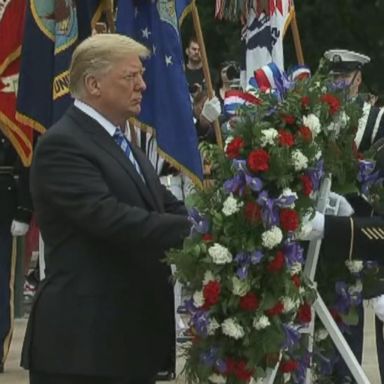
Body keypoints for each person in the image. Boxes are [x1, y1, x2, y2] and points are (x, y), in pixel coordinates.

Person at [21, 33, 191, 384]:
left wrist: (217, 220)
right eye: (131, 77)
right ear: (93, 84)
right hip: (81, 348)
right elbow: (109, 218)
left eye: (141, 76)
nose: (142, 85)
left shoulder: (122, 142)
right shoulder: (63, 144)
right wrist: (194, 232)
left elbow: (166, 204)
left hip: (126, 343)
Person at [0, 131, 32, 374]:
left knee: (1, 280)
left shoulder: (8, 100)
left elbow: (25, 155)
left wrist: (23, 209)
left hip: (4, 200)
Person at [324, 49, 384, 152]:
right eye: (335, 76)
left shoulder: (376, 117)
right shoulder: (320, 110)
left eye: (344, 76)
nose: (338, 81)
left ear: (358, 79)